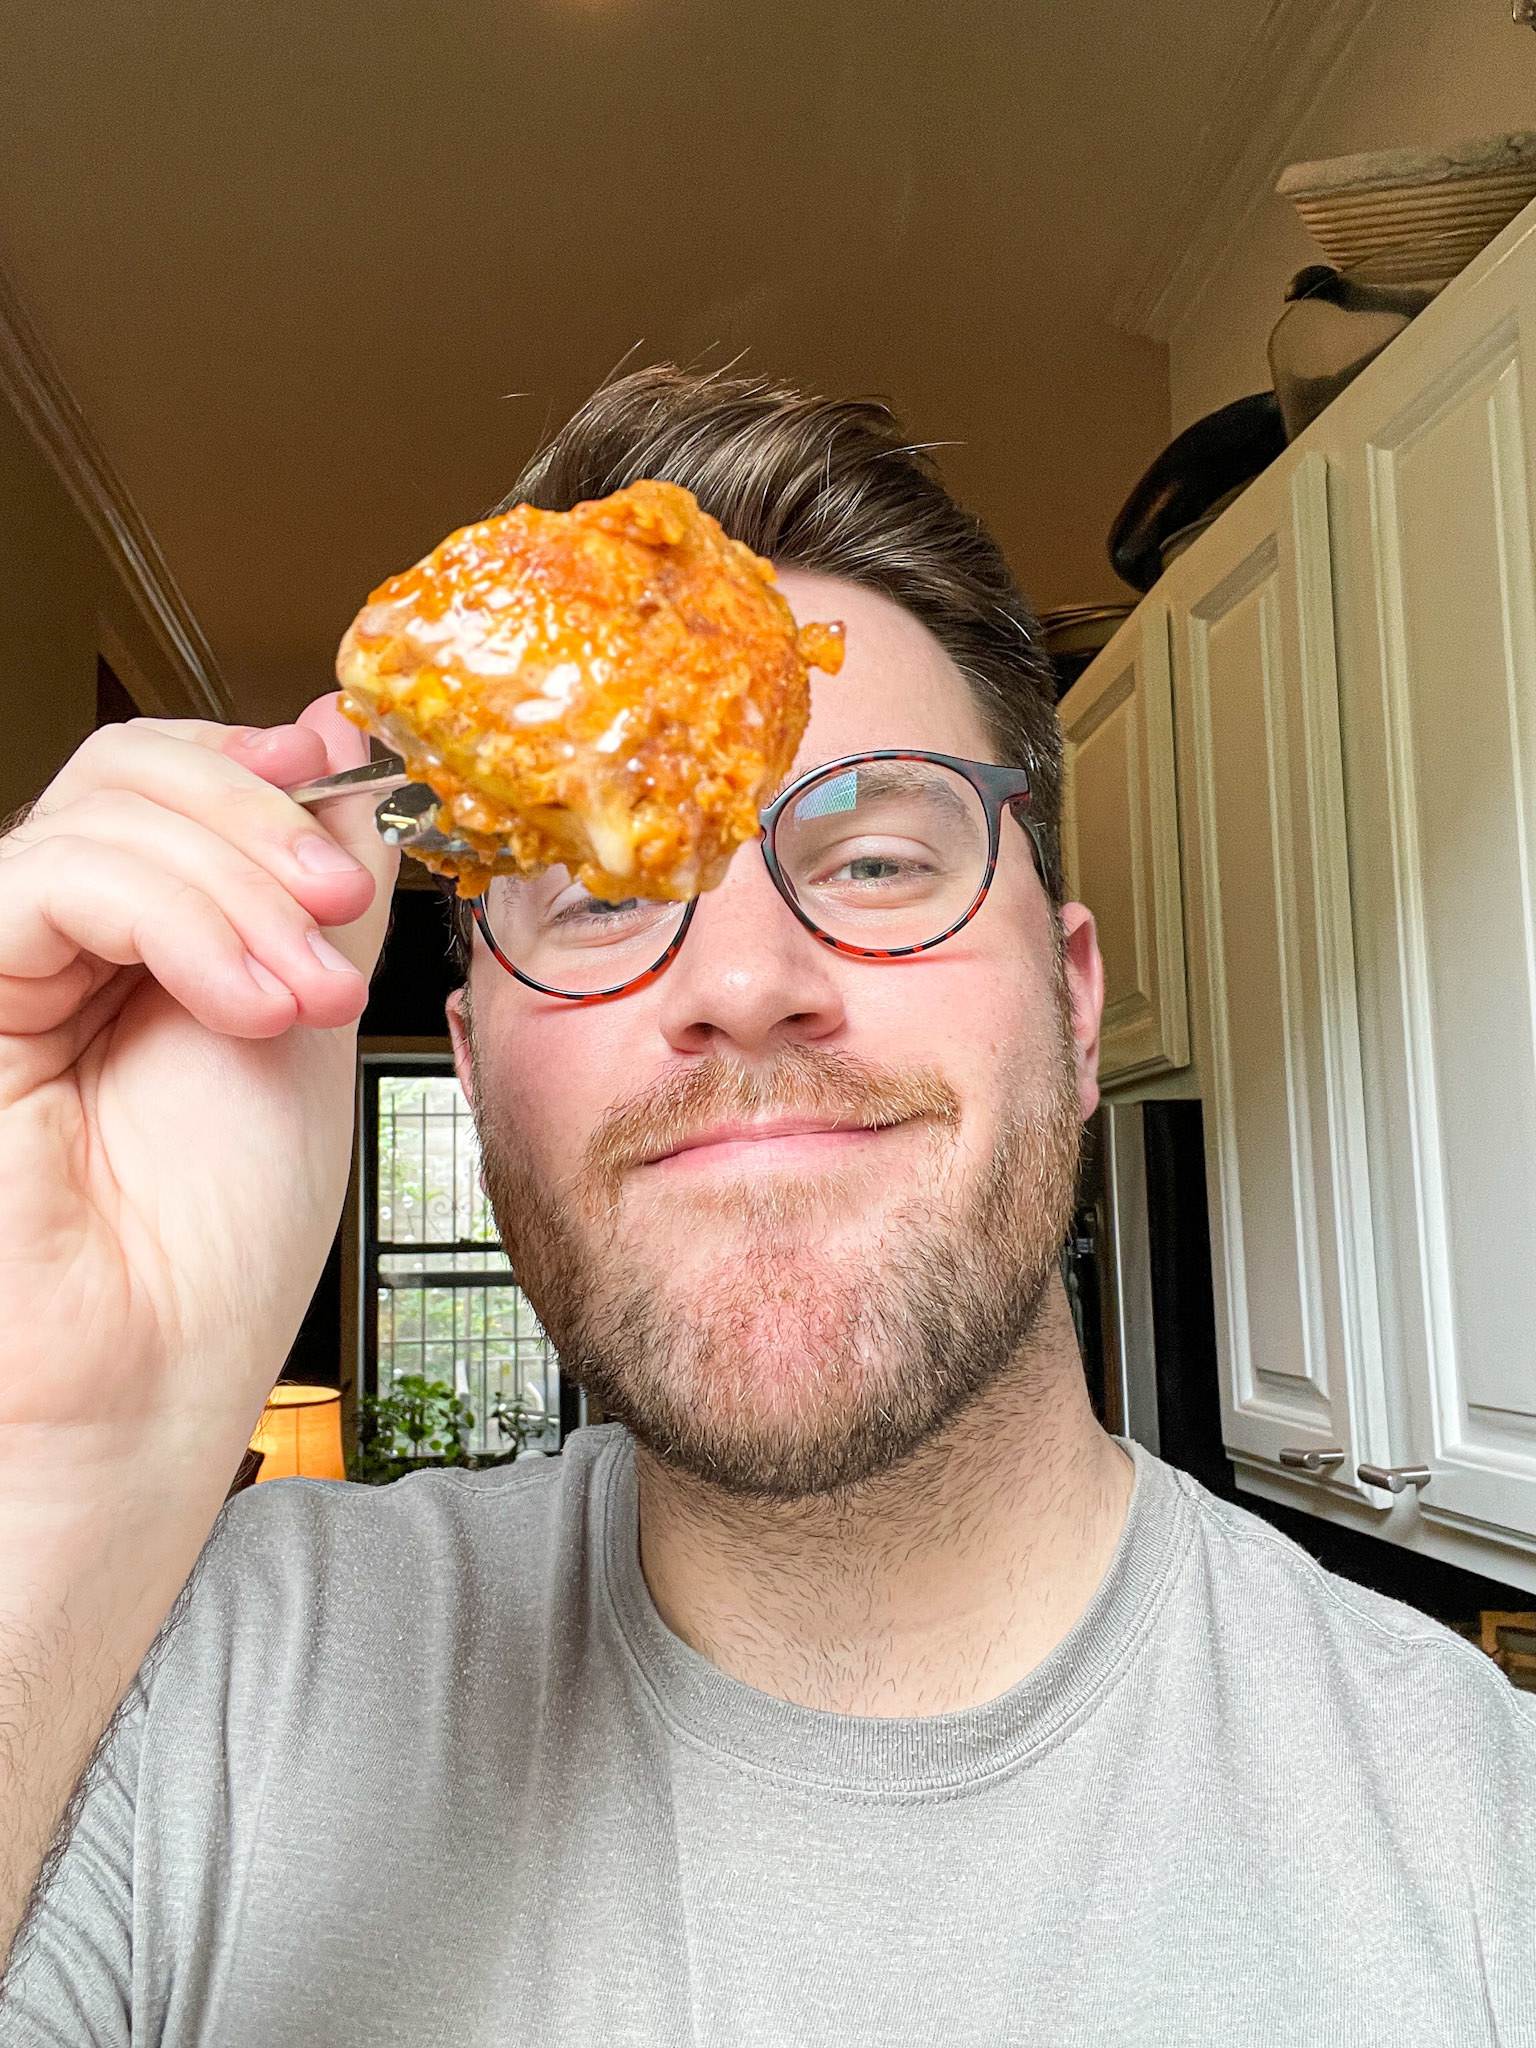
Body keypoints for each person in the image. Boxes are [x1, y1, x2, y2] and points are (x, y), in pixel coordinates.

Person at [1, 366, 1531, 2048]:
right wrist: (58, 1456)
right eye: (602, 894)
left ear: (1078, 1010)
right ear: (471, 1068)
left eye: (879, 858)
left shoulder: (1476, 1837)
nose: (740, 977)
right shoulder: (194, 1697)